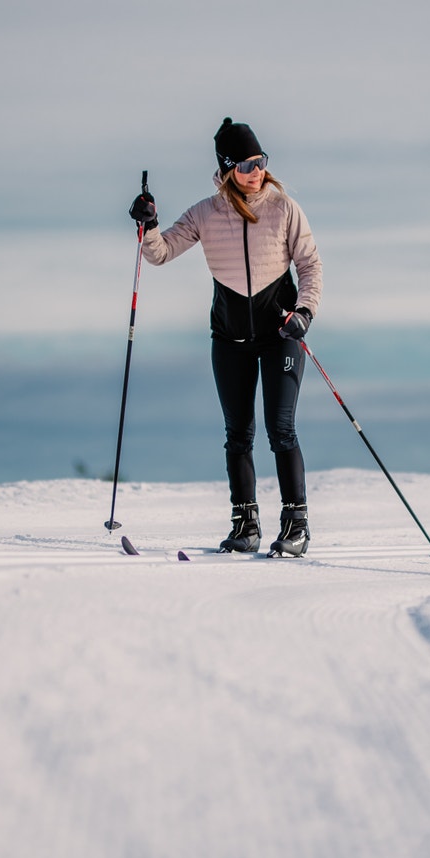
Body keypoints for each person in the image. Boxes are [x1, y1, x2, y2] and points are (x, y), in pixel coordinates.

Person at [128, 118, 323, 556]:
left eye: (261, 162)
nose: (256, 171)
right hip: (229, 337)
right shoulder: (205, 213)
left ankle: (296, 525)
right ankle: (245, 524)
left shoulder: (284, 208)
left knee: (282, 429)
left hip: (281, 335)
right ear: (228, 168)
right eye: (247, 164)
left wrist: (304, 313)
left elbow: (310, 264)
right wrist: (150, 224)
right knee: (238, 434)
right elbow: (161, 252)